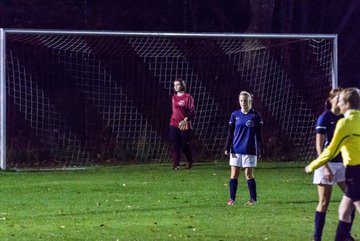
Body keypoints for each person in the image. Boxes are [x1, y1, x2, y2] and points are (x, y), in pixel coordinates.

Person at [305, 87, 360, 241]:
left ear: (347, 103)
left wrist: (312, 166)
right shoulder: (326, 118)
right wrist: (324, 166)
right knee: (343, 210)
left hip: (353, 171)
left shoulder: (344, 123)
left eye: (340, 100)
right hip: (346, 169)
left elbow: (331, 150)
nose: (338, 103)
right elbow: (322, 146)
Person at [225, 91, 263, 205]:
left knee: (248, 175)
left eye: (245, 100)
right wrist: (227, 146)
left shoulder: (255, 116)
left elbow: (259, 134)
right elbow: (230, 133)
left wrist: (261, 148)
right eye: (241, 100)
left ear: (250, 101)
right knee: (234, 175)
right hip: (236, 149)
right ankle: (232, 199)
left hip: (250, 149)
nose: (243, 103)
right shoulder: (234, 115)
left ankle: (253, 199)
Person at [169, 79, 195, 170]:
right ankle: (175, 164)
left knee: (184, 144)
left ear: (182, 85)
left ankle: (189, 161)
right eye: (174, 85)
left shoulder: (188, 97)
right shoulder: (173, 98)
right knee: (174, 143)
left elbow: (191, 111)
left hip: (184, 124)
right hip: (174, 123)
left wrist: (185, 120)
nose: (175, 86)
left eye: (177, 84)